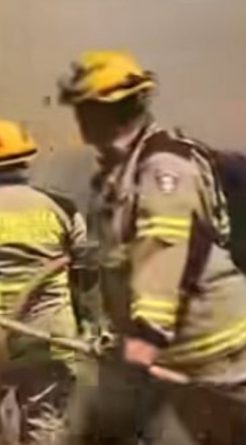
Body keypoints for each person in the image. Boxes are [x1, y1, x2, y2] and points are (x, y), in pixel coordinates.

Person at [56, 50, 246, 445]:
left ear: (109, 112)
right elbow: (120, 255)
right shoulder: (121, 170)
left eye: (85, 109)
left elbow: (166, 253)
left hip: (205, 345)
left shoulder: (163, 170)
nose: (80, 120)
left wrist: (146, 338)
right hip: (151, 343)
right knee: (102, 430)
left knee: (226, 435)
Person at [0, 119, 87, 444]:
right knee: (45, 422)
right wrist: (87, 323)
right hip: (47, 335)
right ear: (26, 159)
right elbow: (85, 272)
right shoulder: (61, 207)